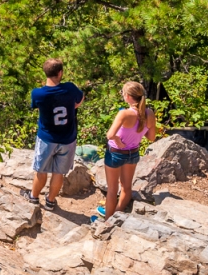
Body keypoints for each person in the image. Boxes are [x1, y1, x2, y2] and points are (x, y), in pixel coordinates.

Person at [21, 58, 85, 211]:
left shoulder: (38, 93)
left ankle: (34, 197)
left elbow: (35, 106)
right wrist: (72, 106)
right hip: (68, 139)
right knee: (59, 172)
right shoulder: (70, 88)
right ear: (60, 73)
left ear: (45, 73)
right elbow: (80, 99)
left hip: (47, 138)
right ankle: (50, 201)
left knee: (41, 170)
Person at [95, 81, 156, 221]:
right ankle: (117, 214)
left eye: (123, 93)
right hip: (133, 153)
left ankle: (108, 222)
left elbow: (110, 135)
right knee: (126, 187)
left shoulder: (124, 113)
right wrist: (139, 132)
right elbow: (151, 137)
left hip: (116, 153)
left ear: (128, 96)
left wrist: (118, 141)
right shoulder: (149, 113)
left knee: (112, 190)